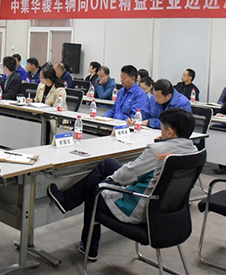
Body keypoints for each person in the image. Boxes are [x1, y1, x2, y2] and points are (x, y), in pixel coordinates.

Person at [47, 108, 196, 261]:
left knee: (95, 191)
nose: (161, 132)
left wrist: (109, 180)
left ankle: (89, 247)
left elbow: (126, 176)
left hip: (139, 208)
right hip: (166, 209)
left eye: (162, 129)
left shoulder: (158, 151)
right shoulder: (193, 150)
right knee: (108, 164)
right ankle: (67, 200)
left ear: (170, 132)